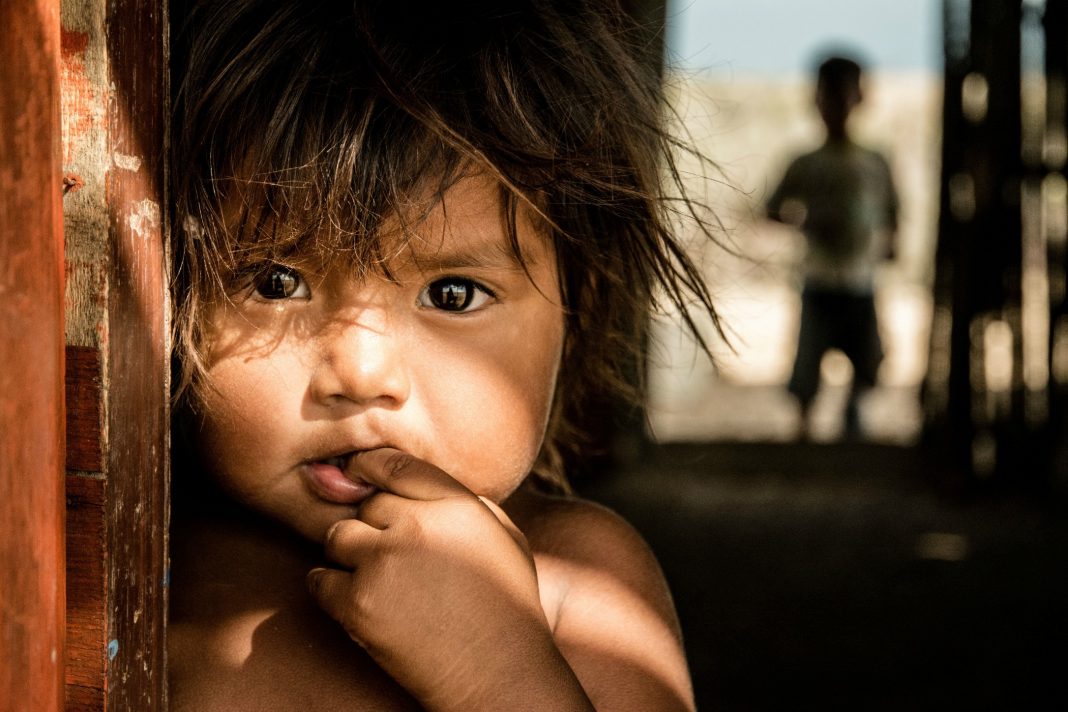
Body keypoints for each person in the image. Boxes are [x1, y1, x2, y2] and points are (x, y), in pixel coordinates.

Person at [167, 0, 721, 709]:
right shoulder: (130, 551)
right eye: (279, 283)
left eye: (454, 294)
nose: (362, 376)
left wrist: (496, 671)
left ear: (574, 315)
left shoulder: (578, 582)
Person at [765, 54, 899, 440]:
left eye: (844, 95)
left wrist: (890, 247)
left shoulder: (875, 161)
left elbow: (893, 210)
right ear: (816, 99)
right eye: (830, 95)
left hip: (860, 279)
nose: (837, 105)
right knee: (808, 357)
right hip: (818, 277)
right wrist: (806, 222)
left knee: (868, 358)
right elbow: (771, 209)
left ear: (859, 98)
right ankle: (805, 426)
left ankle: (852, 413)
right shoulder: (806, 163)